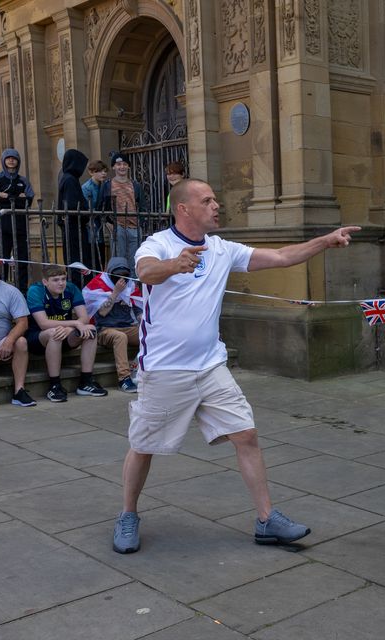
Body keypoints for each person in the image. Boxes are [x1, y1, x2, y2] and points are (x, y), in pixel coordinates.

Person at [112, 178, 360, 554]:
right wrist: (174, 264)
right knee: (144, 446)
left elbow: (280, 257)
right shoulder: (158, 244)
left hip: (211, 366)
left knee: (246, 435)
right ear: (184, 209)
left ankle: (266, 520)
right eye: (208, 200)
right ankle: (128, 515)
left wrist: (324, 241)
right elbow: (146, 272)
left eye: (215, 198)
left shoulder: (222, 249)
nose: (216, 206)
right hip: (165, 370)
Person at [26, 264, 109, 402]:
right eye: (56, 280)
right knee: (54, 332)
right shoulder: (35, 290)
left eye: (63, 279)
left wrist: (71, 328)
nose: (61, 283)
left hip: (65, 335)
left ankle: (86, 381)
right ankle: (55, 386)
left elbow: (84, 318)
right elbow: (43, 323)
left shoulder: (71, 288)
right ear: (45, 282)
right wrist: (74, 324)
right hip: (38, 338)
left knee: (91, 330)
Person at [82, 257, 141, 393]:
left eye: (124, 275)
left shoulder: (130, 284)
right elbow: (101, 313)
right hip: (104, 329)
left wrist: (142, 318)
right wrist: (116, 292)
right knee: (120, 337)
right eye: (117, 275)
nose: (121, 279)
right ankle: (124, 379)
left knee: (151, 333)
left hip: (127, 326)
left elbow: (138, 306)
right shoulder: (98, 284)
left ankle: (143, 369)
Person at [0, 257, 35, 407]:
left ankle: (19, 391)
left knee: (20, 342)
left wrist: (9, 341)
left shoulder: (11, 292)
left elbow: (23, 323)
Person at [0, 148, 35, 288]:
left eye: (14, 158)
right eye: (8, 158)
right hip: (2, 225)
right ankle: (0, 287)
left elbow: (29, 200)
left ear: (18, 161)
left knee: (22, 258)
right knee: (1, 259)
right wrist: (15, 198)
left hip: (20, 225)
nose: (11, 160)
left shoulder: (23, 180)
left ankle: (22, 288)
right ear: (3, 160)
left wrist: (6, 196)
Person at [101, 151, 145, 266]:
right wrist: (108, 223)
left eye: (125, 164)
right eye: (119, 164)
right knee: (119, 260)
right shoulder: (107, 185)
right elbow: (101, 207)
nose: (122, 167)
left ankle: (133, 284)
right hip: (117, 225)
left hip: (134, 227)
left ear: (129, 166)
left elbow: (143, 206)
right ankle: (120, 283)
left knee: (134, 260)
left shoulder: (136, 185)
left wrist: (141, 223)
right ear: (113, 167)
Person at [57, 148, 91, 287]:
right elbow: (72, 205)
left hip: (72, 226)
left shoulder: (67, 178)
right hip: (74, 227)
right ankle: (79, 287)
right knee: (78, 260)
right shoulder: (70, 179)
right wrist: (85, 212)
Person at [82, 159, 111, 271]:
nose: (103, 173)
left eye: (104, 171)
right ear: (91, 172)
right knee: (92, 259)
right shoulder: (86, 188)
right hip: (90, 227)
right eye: (99, 171)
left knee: (101, 259)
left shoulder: (104, 186)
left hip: (99, 227)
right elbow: (86, 209)